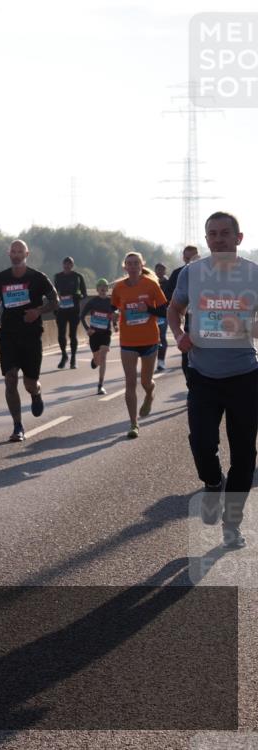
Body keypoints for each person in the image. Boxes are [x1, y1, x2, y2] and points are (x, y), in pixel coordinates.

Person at [168, 212, 257, 549]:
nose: (218, 239)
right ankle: (212, 481)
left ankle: (232, 525)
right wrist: (179, 336)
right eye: (213, 234)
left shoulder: (253, 274)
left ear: (238, 238)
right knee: (202, 443)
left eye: (225, 233)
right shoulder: (192, 273)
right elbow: (174, 310)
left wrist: (240, 325)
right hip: (203, 375)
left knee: (244, 455)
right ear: (206, 240)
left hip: (244, 376)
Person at [0, 240, 59, 442]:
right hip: (8, 335)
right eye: (13, 251)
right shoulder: (1, 278)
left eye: (20, 251)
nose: (16, 254)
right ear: (9, 253)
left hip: (31, 336)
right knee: (10, 379)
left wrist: (38, 311)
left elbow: (55, 301)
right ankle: (17, 426)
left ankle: (36, 393)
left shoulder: (38, 278)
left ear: (26, 254)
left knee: (29, 383)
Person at [110, 252, 167, 439]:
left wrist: (148, 309)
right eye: (130, 263)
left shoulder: (151, 285)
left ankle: (150, 393)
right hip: (128, 341)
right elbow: (113, 306)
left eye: (136, 263)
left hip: (149, 339)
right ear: (125, 267)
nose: (133, 266)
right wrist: (114, 314)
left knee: (145, 382)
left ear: (142, 265)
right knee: (130, 382)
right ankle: (133, 424)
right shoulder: (119, 287)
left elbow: (164, 310)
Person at [164, 245, 201, 385]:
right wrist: (180, 298)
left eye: (193, 257)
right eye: (187, 258)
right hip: (187, 320)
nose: (190, 260)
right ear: (183, 258)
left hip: (207, 322)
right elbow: (168, 295)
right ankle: (191, 386)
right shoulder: (179, 273)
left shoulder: (207, 271)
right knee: (187, 358)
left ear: (198, 256)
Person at [80, 279, 119, 395]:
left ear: (107, 289)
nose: (103, 288)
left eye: (105, 286)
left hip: (106, 333)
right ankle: (95, 361)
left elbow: (114, 315)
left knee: (103, 357)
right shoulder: (93, 302)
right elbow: (81, 316)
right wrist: (87, 329)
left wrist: (115, 325)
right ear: (97, 289)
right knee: (98, 360)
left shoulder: (111, 302)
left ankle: (100, 385)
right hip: (94, 334)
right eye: (100, 286)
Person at [53, 256, 88, 369]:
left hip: (73, 310)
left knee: (72, 335)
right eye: (65, 264)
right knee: (61, 335)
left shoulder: (78, 277)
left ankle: (73, 358)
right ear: (62, 265)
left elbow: (84, 294)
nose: (67, 266)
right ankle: (64, 355)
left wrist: (77, 296)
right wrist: (55, 307)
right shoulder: (57, 277)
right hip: (61, 309)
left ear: (72, 265)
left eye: (69, 264)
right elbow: (54, 294)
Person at [154, 263, 170, 370]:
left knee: (162, 336)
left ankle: (161, 361)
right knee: (153, 337)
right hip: (151, 314)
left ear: (165, 271)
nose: (160, 272)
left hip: (163, 314)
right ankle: (150, 360)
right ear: (155, 271)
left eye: (162, 270)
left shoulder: (168, 283)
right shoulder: (151, 282)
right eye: (158, 269)